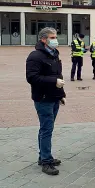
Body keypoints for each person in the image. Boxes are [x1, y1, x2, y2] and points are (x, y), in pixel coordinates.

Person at [26, 27, 66, 176]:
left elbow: (58, 75)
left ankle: (43, 156)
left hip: (54, 97)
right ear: (43, 39)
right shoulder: (35, 56)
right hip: (43, 99)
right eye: (52, 37)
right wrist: (53, 81)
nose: (55, 39)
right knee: (46, 129)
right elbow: (32, 77)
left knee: (46, 129)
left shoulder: (54, 54)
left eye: (55, 36)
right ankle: (46, 162)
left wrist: (62, 94)